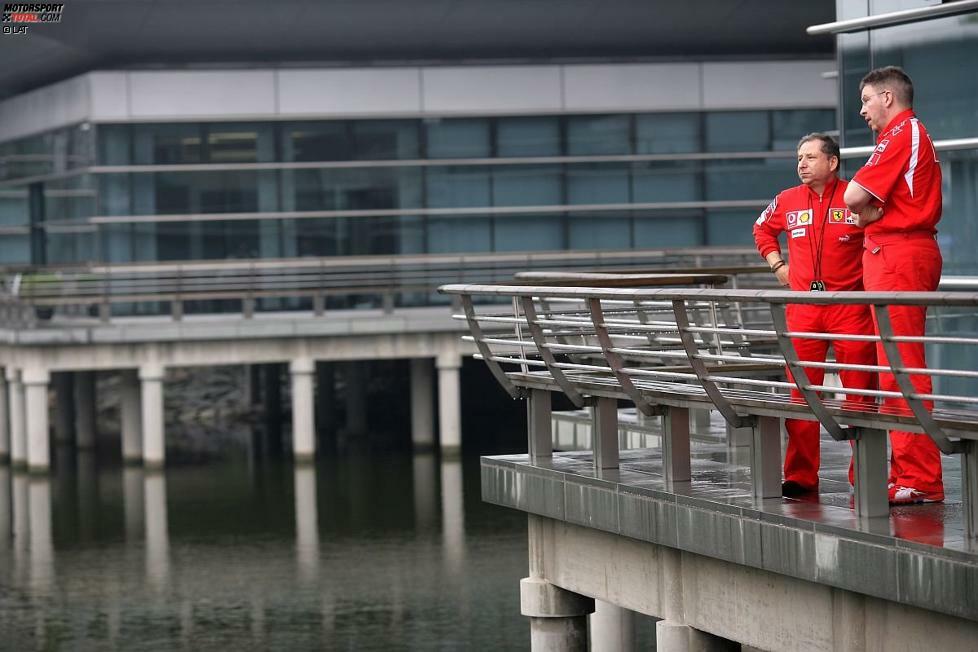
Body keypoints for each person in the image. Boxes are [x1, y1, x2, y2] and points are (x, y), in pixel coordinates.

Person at [753, 133, 876, 497]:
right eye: (799, 158)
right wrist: (777, 265)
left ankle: (864, 475)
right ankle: (801, 476)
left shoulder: (855, 195)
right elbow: (762, 228)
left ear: (832, 162)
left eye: (809, 157)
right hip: (803, 311)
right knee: (801, 395)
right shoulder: (787, 200)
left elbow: (879, 230)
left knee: (860, 393)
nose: (801, 164)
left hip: (850, 309)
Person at [843, 66, 944, 505]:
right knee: (892, 368)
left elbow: (851, 199)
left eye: (866, 100)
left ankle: (920, 478)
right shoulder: (904, 135)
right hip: (893, 255)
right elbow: (860, 210)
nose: (862, 110)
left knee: (901, 367)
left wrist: (870, 213)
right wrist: (870, 214)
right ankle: (908, 473)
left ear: (887, 96)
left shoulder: (900, 133)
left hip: (900, 256)